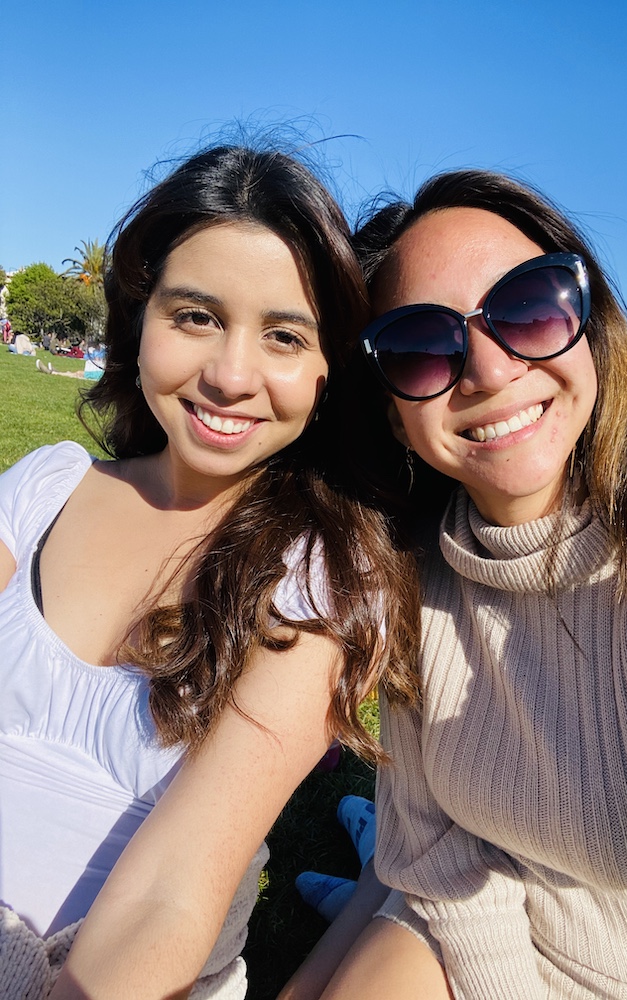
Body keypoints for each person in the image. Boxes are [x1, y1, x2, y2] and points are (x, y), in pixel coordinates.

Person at [294, 169, 627, 999]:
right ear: (393, 408)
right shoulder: (413, 576)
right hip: (478, 919)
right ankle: (366, 867)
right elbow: (440, 857)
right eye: (422, 345)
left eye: (529, 305)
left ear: (591, 327)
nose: (490, 370)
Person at [0, 144, 420, 1000]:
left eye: (283, 336)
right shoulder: (45, 488)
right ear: (140, 316)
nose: (230, 376)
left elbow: (173, 894)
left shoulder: (319, 580)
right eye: (195, 316)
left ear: (328, 369)